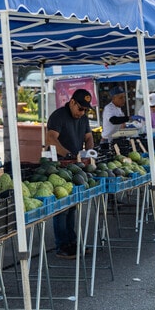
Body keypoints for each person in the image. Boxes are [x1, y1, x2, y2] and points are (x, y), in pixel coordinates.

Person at [46, 89, 94, 259]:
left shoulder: (83, 118)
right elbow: (51, 138)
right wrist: (67, 154)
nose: (82, 113)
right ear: (72, 102)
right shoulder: (58, 116)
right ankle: (62, 245)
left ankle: (72, 241)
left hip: (76, 164)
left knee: (73, 205)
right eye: (81, 109)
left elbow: (89, 137)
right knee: (62, 207)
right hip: (59, 167)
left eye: (86, 110)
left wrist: (89, 153)